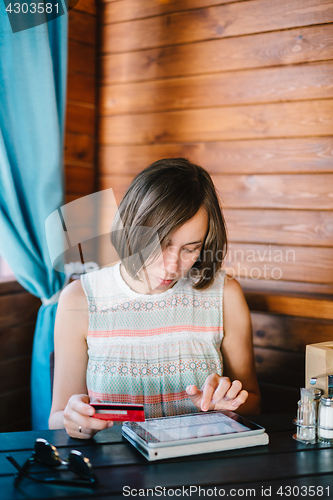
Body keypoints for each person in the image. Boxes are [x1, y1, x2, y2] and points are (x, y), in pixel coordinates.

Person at [49, 158, 261, 439]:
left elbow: (255, 402)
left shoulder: (225, 295)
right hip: (114, 470)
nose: (172, 266)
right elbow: (57, 418)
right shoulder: (80, 299)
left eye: (190, 248)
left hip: (199, 466)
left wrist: (229, 405)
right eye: (160, 243)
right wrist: (77, 420)